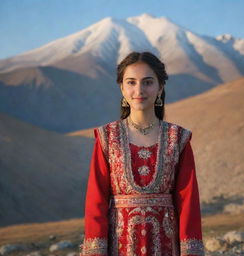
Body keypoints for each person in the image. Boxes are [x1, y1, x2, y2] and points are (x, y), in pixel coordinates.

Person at [80, 52, 205, 256]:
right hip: (118, 247)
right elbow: (96, 200)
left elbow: (188, 201)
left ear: (160, 87)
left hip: (167, 247)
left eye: (147, 82)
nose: (139, 90)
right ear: (121, 87)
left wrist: (190, 251)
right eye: (131, 82)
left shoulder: (178, 138)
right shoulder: (107, 137)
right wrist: (96, 251)